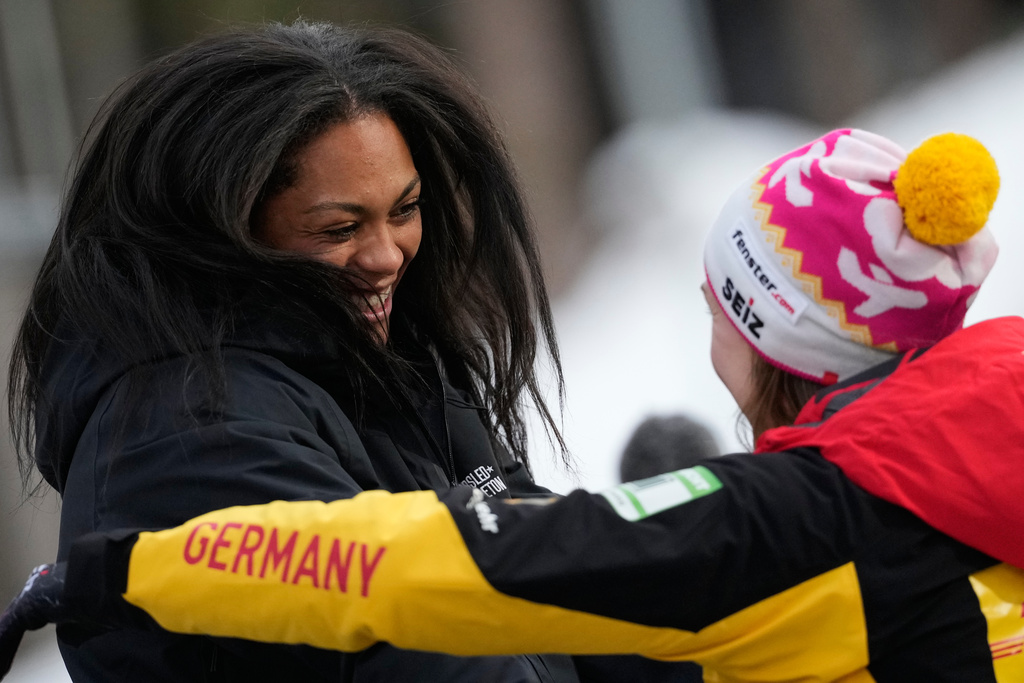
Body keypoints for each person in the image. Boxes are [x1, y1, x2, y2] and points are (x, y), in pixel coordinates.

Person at [4, 129, 1022, 682]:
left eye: (716, 296)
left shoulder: (798, 522)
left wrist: (138, 562)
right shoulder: (978, 460)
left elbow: (429, 565)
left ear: (764, 329)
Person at [4, 19, 591, 682]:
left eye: (406, 208)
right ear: (220, 227)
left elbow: (565, 589)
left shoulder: (383, 364)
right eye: (339, 227)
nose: (385, 256)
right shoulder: (191, 434)